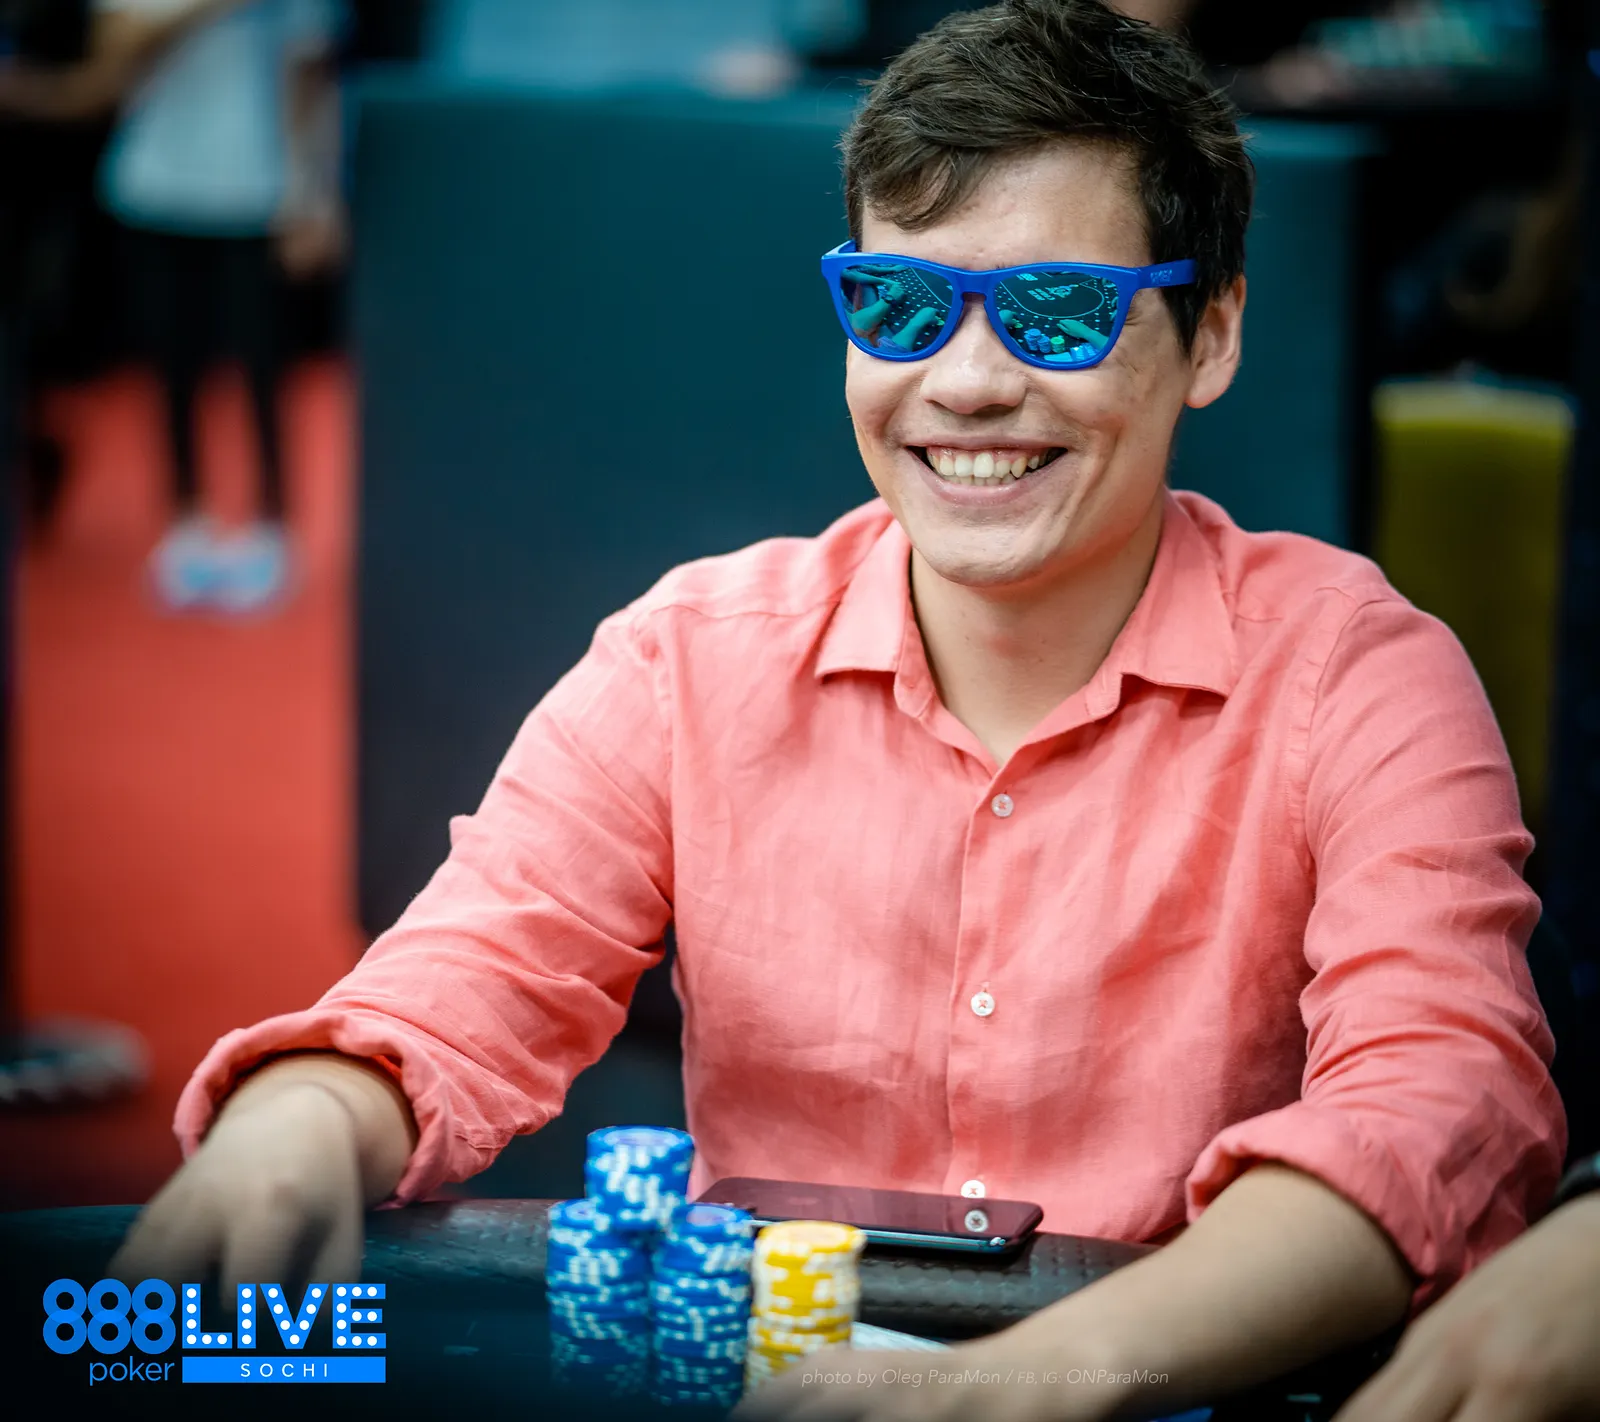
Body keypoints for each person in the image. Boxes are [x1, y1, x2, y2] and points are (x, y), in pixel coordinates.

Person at [111, 2, 1565, 1416]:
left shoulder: (1359, 674)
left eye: (1059, 313)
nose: (967, 383)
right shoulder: (690, 655)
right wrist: (299, 1122)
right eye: (901, 306)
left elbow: (1435, 1112)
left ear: (1214, 333)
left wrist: (1018, 1389)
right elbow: (462, 984)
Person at [0, 0, 345, 612]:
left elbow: (308, 72)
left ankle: (272, 527)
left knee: (261, 362)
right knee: (172, 363)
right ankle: (187, 524)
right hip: (154, 187)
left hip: (251, 188)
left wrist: (311, 190)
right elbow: (111, 58)